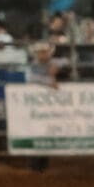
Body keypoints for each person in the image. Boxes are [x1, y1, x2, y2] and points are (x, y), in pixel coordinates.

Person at [25, 41, 67, 172]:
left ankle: (42, 162)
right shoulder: (32, 66)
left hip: (48, 106)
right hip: (37, 106)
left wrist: (57, 68)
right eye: (40, 52)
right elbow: (31, 78)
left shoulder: (54, 63)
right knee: (37, 130)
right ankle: (36, 163)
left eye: (45, 52)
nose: (43, 55)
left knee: (47, 130)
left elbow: (66, 61)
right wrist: (50, 80)